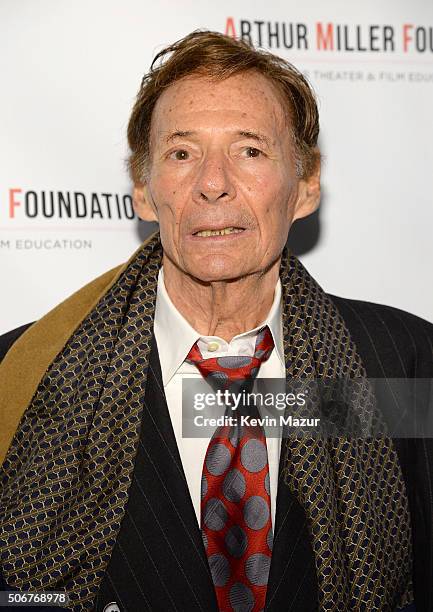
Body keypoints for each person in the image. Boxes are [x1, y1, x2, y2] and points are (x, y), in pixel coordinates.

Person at [0, 29, 431, 612]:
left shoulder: (401, 364)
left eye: (250, 150)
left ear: (305, 186)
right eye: (182, 153)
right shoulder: (23, 375)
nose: (213, 183)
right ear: (144, 192)